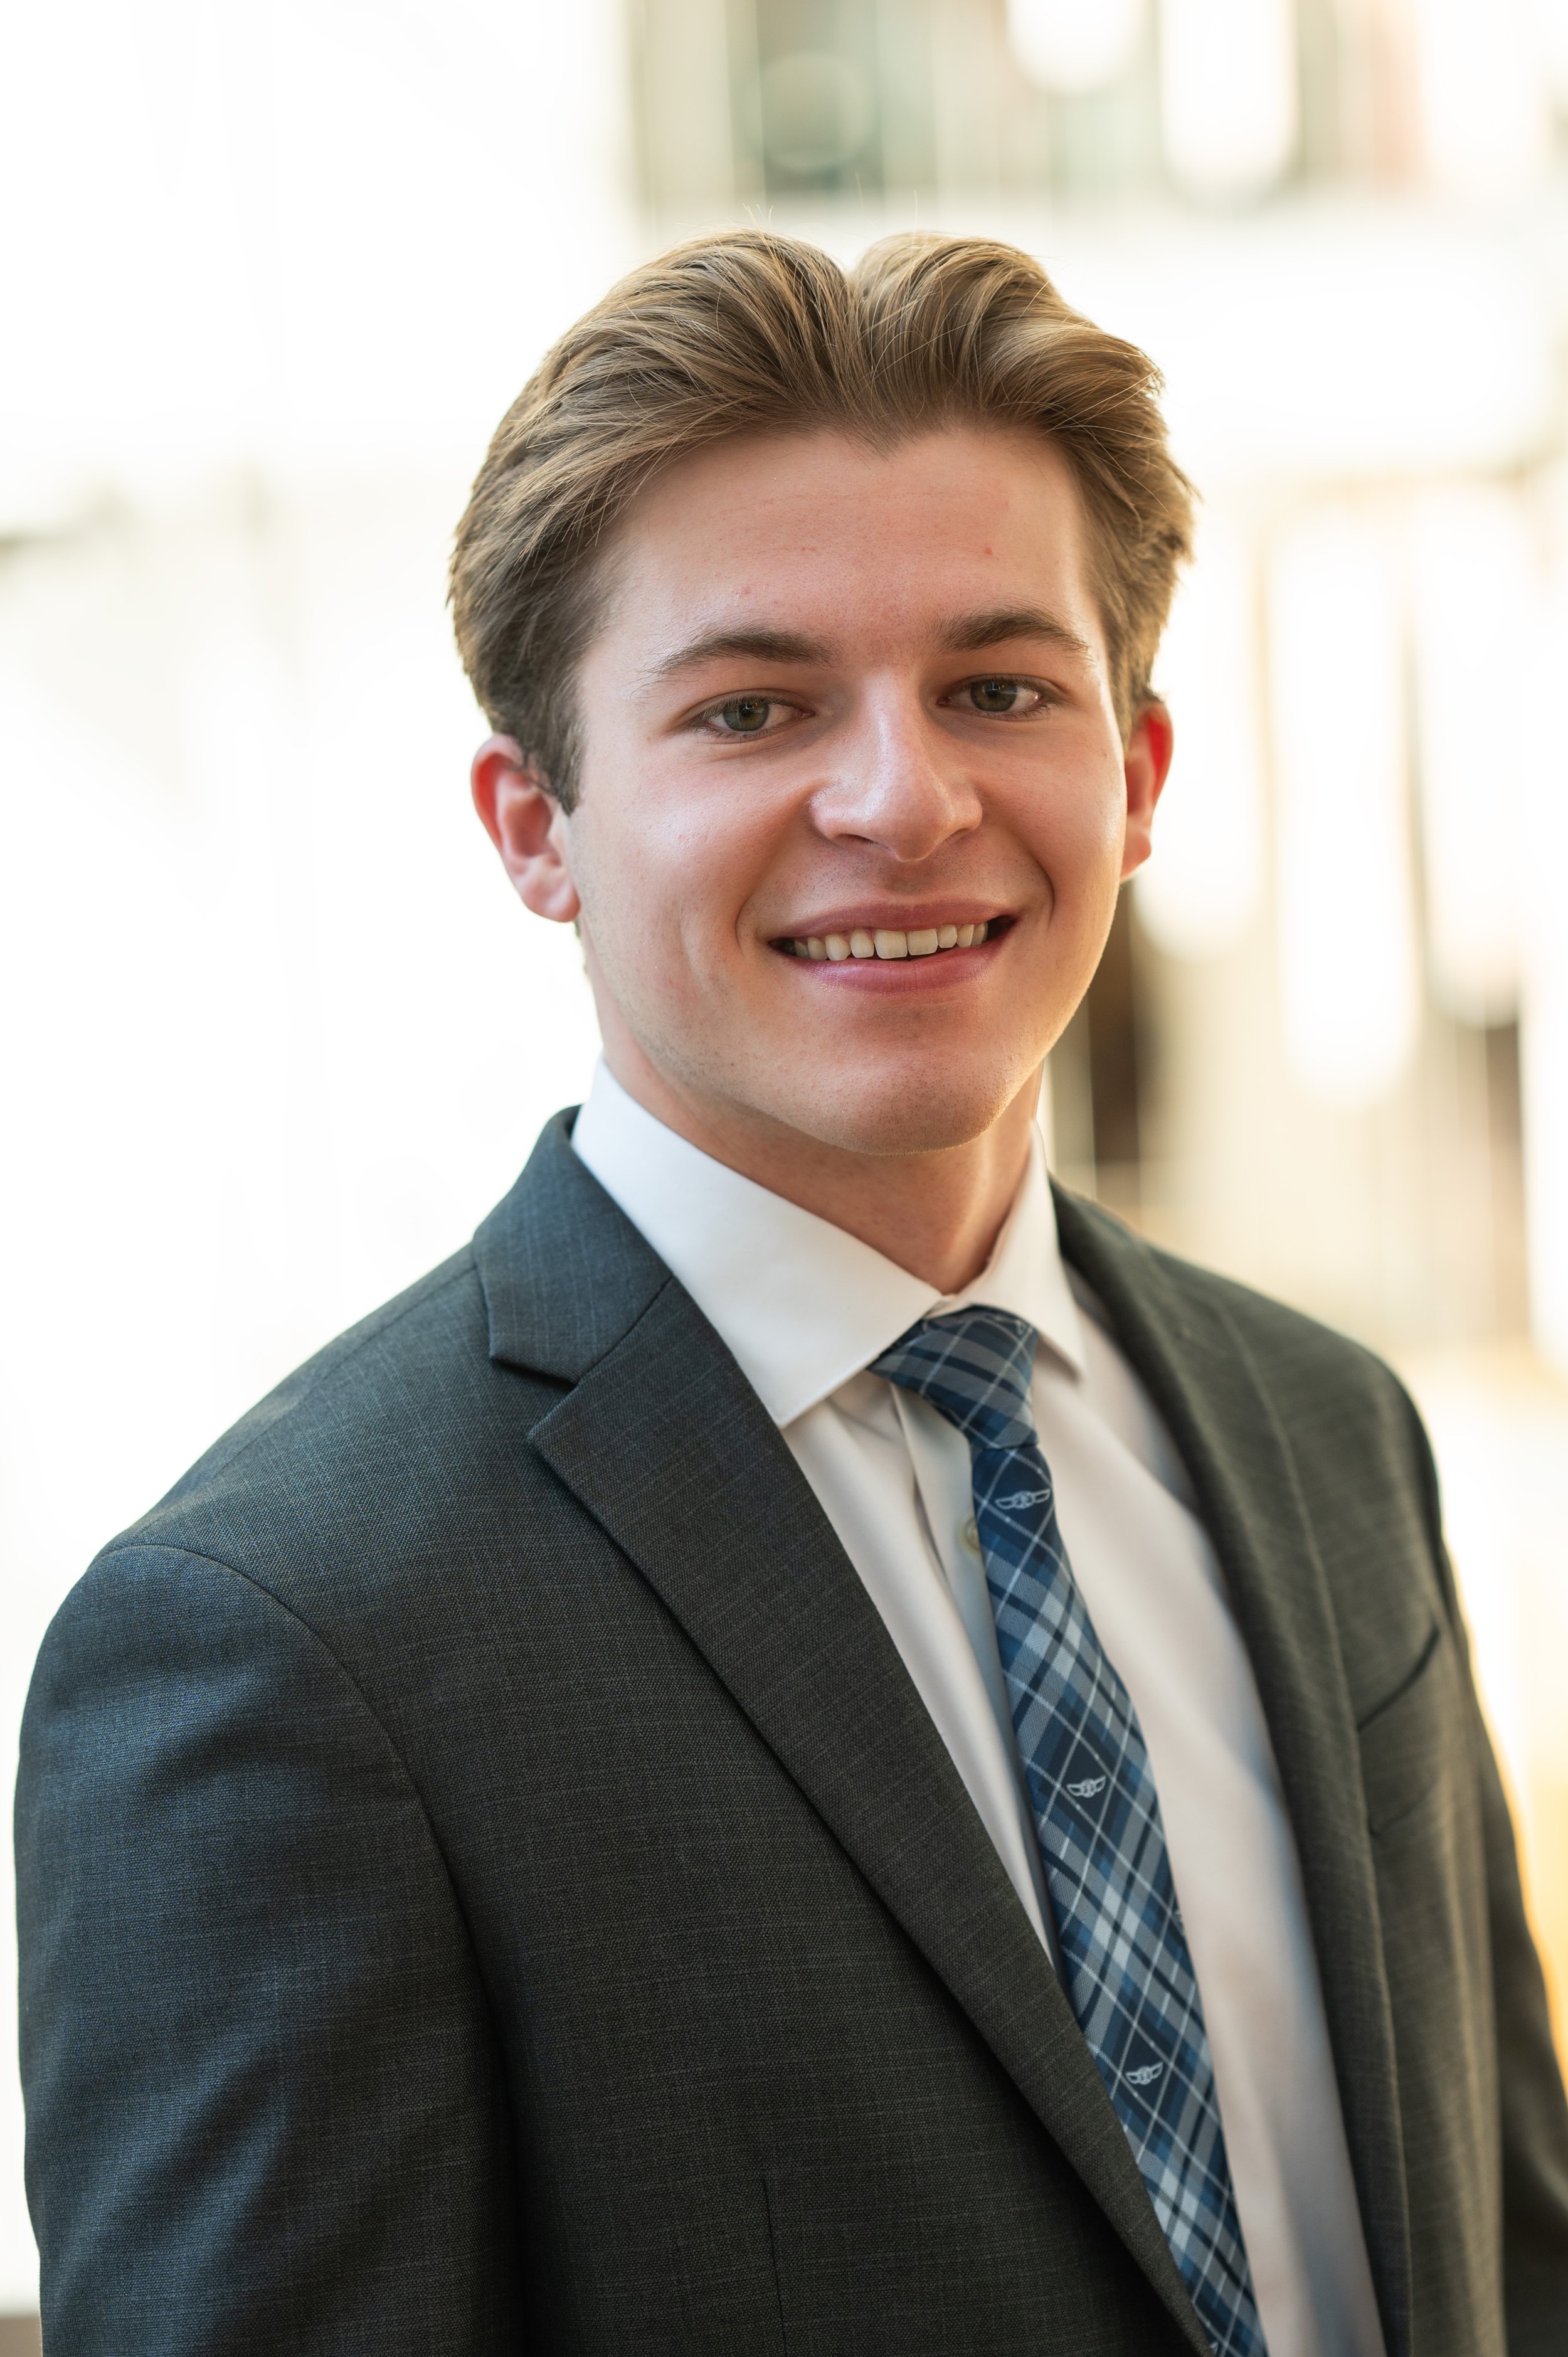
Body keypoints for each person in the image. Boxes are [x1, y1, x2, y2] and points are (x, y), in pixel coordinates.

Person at [17, 231, 1568, 2357]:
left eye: (998, 690)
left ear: (1133, 774)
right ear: (531, 825)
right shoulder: (277, 1650)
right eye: (751, 709)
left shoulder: (1327, 1432)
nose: (899, 801)